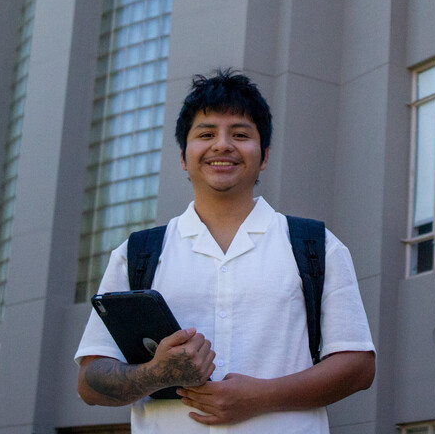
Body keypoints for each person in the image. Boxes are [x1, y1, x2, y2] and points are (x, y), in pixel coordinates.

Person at [75, 69, 375, 432]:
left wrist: (262, 396)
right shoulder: (137, 253)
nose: (222, 145)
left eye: (240, 134)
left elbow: (358, 366)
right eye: (205, 134)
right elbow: (90, 380)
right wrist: (155, 374)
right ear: (183, 157)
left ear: (263, 156)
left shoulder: (315, 245)